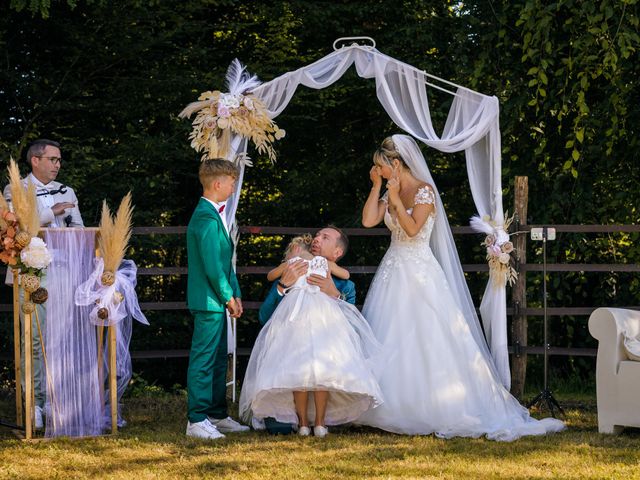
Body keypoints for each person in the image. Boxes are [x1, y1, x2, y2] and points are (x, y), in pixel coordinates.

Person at [356, 134, 565, 441]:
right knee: (390, 334)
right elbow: (368, 220)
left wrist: (398, 198)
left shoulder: (425, 192)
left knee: (428, 335)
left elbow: (413, 230)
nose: (378, 171)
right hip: (393, 268)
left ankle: (437, 403)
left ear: (396, 163)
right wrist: (378, 188)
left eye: (380, 167)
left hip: (419, 269)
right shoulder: (388, 190)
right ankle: (387, 405)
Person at [239, 232, 382, 438]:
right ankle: (300, 421)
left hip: (325, 344)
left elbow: (350, 326)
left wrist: (334, 294)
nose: (317, 239)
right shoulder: (294, 269)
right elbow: (264, 317)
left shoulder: (344, 285)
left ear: (337, 252)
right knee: (280, 424)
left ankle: (322, 421)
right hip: (294, 337)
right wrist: (283, 285)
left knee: (324, 375)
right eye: (317, 236)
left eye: (325, 238)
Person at [3, 138, 84, 429]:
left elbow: (79, 228)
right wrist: (53, 213)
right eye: (52, 159)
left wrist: (76, 230)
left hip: (65, 271)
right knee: (35, 340)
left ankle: (55, 400)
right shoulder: (15, 189)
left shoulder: (68, 190)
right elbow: (18, 229)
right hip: (32, 272)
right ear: (35, 160)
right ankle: (33, 403)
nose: (57, 165)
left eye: (59, 160)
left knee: (60, 339)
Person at [185, 158, 248, 440]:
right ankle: (196, 420)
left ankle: (217, 414)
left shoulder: (215, 215)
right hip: (208, 301)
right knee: (204, 359)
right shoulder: (205, 217)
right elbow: (212, 266)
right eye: (232, 181)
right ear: (218, 183)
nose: (234, 186)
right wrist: (227, 297)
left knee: (220, 359)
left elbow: (225, 262)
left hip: (218, 299)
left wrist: (235, 293)